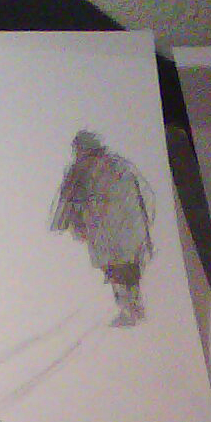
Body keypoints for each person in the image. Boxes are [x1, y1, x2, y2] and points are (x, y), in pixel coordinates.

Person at [49, 130, 154, 326]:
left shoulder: (79, 171)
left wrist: (60, 224)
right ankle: (134, 308)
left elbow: (66, 202)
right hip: (127, 230)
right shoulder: (121, 165)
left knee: (117, 271)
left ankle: (130, 310)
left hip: (107, 232)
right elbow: (147, 194)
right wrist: (145, 223)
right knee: (127, 269)